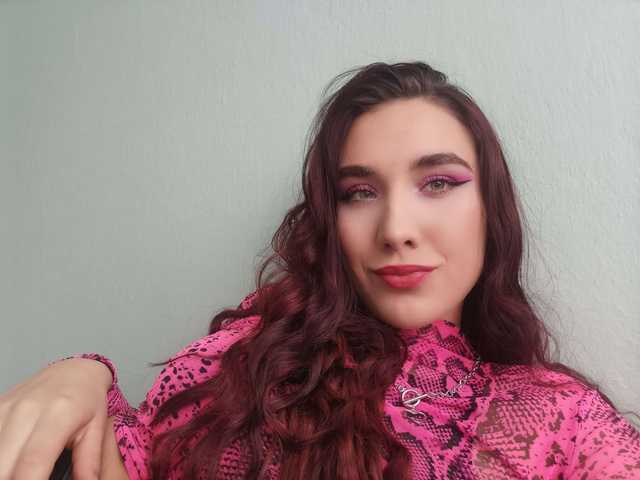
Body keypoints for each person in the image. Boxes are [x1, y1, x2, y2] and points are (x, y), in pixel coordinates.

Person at [1, 61, 638, 480]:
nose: (396, 229)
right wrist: (84, 377)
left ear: (490, 210)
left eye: (439, 183)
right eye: (359, 193)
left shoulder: (565, 418)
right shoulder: (241, 370)